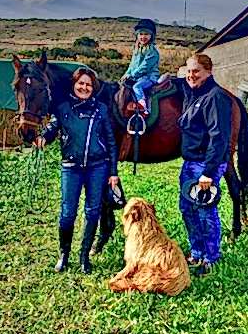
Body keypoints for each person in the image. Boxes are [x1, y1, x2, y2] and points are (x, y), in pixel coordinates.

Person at [35, 67, 119, 274]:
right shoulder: (62, 108)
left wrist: (113, 172)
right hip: (71, 168)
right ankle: (64, 255)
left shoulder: (101, 109)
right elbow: (52, 128)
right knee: (67, 214)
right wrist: (43, 138)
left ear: (93, 88)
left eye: (88, 84)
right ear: (74, 84)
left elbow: (110, 141)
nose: (84, 87)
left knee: (92, 212)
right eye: (81, 83)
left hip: (97, 167)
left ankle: (84, 257)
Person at [177, 54, 233, 276]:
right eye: (189, 71)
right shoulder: (193, 93)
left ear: (209, 72)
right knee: (187, 209)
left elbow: (218, 137)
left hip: (206, 166)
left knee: (205, 211)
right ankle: (196, 252)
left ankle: (210, 258)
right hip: (190, 162)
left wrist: (209, 172)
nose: (191, 75)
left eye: (196, 71)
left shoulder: (215, 97)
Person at [121, 18, 160, 116]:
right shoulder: (137, 50)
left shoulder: (152, 52)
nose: (143, 37)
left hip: (149, 77)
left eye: (146, 34)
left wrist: (132, 76)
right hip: (137, 76)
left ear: (152, 36)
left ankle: (143, 106)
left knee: (137, 86)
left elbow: (144, 67)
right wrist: (127, 74)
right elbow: (132, 64)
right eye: (141, 34)